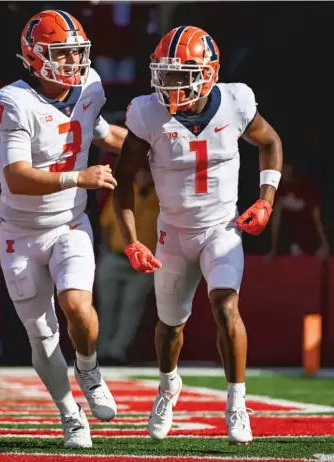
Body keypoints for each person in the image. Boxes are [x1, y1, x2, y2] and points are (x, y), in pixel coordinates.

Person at [113, 26, 283, 445]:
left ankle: (237, 402)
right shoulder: (146, 112)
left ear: (207, 73)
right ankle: (168, 387)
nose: (167, 85)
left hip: (220, 228)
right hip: (172, 231)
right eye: (163, 74)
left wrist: (266, 200)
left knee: (225, 307)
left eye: (178, 75)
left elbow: (271, 141)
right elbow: (123, 181)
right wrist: (133, 239)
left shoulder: (237, 101)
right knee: (170, 326)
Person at [0, 10, 127, 449]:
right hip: (20, 230)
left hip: (69, 221)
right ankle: (69, 413)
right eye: (61, 53)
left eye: (76, 52)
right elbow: (17, 177)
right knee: (42, 334)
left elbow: (96, 130)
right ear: (34, 57)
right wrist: (79, 177)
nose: (72, 62)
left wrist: (154, 142)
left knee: (78, 306)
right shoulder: (12, 101)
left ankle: (88, 366)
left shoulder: (89, 87)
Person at [97, 166, 158, 365]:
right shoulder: (122, 190)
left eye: (150, 171)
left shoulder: (162, 196)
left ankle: (116, 352)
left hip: (145, 263)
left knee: (132, 306)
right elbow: (105, 224)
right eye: (143, 170)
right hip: (116, 257)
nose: (146, 174)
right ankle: (100, 351)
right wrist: (104, 252)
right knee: (105, 305)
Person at [266, 163, 329, 261]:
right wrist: (273, 249)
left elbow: (316, 217)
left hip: (312, 237)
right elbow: (276, 220)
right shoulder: (279, 189)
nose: (283, 172)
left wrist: (324, 244)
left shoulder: (305, 184)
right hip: (294, 240)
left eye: (285, 168)